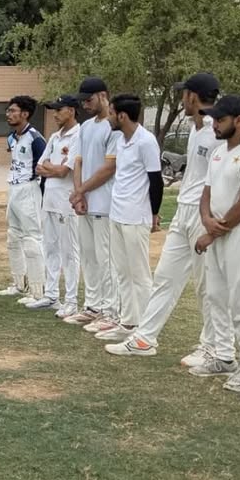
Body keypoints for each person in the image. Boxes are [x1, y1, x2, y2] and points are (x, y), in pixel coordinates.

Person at [106, 73, 220, 360]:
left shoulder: (216, 131)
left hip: (203, 214)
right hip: (183, 211)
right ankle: (144, 338)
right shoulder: (195, 129)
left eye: (184, 94)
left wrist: (210, 217)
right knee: (165, 277)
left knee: (206, 285)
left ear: (193, 96)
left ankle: (212, 346)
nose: (182, 99)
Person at [191, 95, 240, 391]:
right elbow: (206, 192)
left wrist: (212, 232)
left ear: (239, 121)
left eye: (220, 120)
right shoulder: (218, 152)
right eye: (213, 119)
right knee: (216, 296)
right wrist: (206, 218)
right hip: (217, 232)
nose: (214, 125)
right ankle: (224, 356)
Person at [95, 93, 162, 343]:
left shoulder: (146, 141)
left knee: (139, 273)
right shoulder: (121, 140)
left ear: (122, 116)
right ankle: (128, 321)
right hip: (117, 213)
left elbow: (156, 181)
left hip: (136, 216)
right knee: (122, 271)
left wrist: (154, 213)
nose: (109, 118)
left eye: (112, 113)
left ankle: (145, 329)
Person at [65, 77, 120, 329]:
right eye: (83, 101)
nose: (85, 105)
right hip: (86, 202)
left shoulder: (113, 126)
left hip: (105, 202)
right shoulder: (86, 127)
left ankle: (111, 310)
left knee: (105, 258)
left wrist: (82, 191)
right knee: (88, 256)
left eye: (89, 100)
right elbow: (78, 161)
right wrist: (79, 193)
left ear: (103, 96)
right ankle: (93, 305)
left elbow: (109, 167)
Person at [29, 95, 81, 314]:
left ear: (71, 110)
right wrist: (53, 168)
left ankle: (71, 300)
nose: (55, 114)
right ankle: (51, 295)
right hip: (49, 198)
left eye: (59, 110)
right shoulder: (54, 136)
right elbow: (39, 166)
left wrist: (53, 168)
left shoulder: (78, 135)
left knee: (69, 251)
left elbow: (64, 171)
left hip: (66, 201)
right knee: (50, 247)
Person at [0, 95, 45, 299]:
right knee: (13, 237)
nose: (8, 114)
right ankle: (19, 283)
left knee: (32, 240)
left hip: (29, 189)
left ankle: (38, 290)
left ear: (25, 114)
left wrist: (43, 196)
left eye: (13, 111)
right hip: (13, 188)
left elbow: (43, 169)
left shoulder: (36, 139)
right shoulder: (11, 137)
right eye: (8, 110)